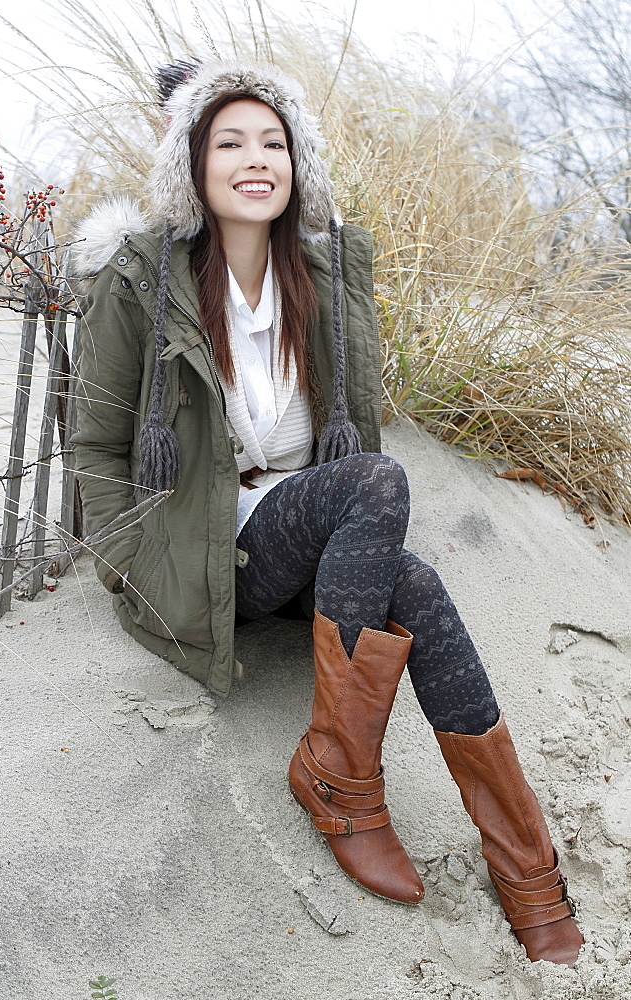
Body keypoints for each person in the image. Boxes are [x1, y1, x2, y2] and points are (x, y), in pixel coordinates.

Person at [72, 58, 584, 966]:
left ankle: (529, 874)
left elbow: (361, 426)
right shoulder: (139, 283)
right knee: (377, 483)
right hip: (202, 549)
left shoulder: (328, 277)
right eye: (229, 142)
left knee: (416, 585)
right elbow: (98, 449)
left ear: (298, 164)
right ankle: (342, 778)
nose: (255, 158)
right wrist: (129, 562)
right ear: (192, 166)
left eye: (275, 142)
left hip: (306, 532)